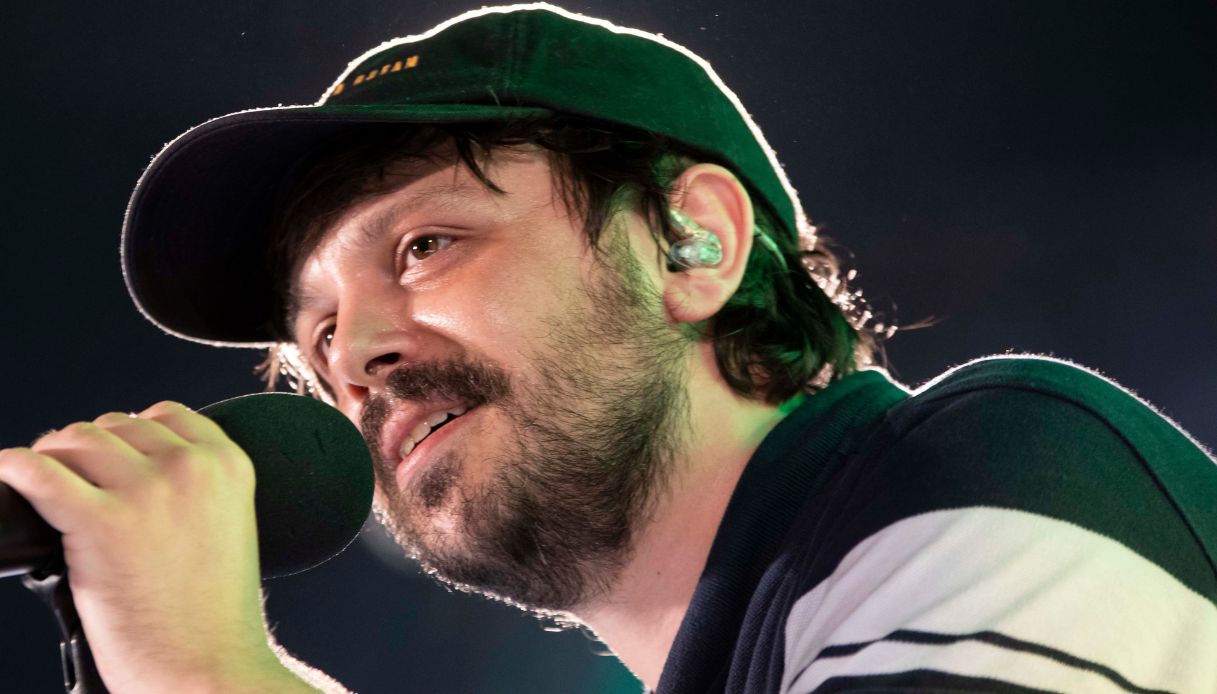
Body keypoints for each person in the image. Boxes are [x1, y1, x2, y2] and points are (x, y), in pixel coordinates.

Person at [2, 4, 1215, 692]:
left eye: (424, 245)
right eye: (314, 332)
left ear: (692, 243)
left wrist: (208, 671)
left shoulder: (1006, 465)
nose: (351, 355)